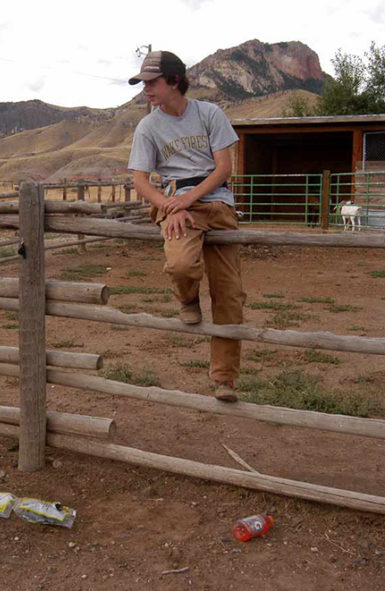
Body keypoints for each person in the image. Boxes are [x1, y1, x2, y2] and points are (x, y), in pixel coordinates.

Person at [127, 50, 246, 402]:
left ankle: (224, 379)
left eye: (152, 82)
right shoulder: (148, 126)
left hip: (215, 200)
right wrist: (168, 204)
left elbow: (223, 168)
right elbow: (140, 180)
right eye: (143, 83)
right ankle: (187, 297)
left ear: (174, 81)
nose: (146, 89)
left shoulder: (209, 113)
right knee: (180, 264)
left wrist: (189, 198)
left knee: (229, 294)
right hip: (176, 202)